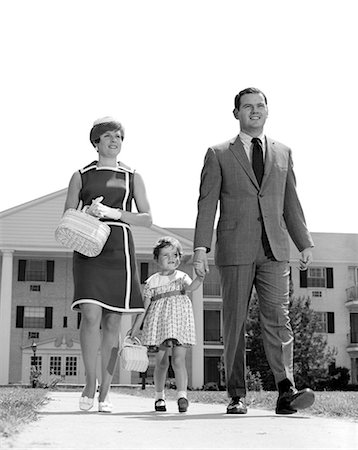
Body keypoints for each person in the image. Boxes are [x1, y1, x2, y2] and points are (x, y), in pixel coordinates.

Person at [193, 87, 315, 415]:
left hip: (275, 249)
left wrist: (303, 242)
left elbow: (291, 202)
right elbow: (207, 204)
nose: (255, 111)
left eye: (260, 105)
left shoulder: (284, 152)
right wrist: (201, 248)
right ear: (237, 113)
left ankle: (285, 391)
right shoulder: (218, 153)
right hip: (235, 249)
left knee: (279, 318)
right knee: (234, 323)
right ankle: (236, 394)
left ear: (267, 111)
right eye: (248, 106)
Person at [64, 116, 152, 413]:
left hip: (119, 248)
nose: (114, 141)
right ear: (96, 142)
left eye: (119, 137)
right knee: (90, 315)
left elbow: (147, 219)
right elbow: (67, 213)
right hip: (89, 246)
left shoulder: (132, 177)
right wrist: (89, 212)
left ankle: (105, 391)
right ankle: (89, 383)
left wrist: (114, 212)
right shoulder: (81, 175)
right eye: (108, 136)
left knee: (113, 321)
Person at [131, 237, 204, 413]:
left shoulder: (181, 277)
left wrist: (200, 276)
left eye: (175, 254)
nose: (172, 258)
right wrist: (134, 330)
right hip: (160, 325)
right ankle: (159, 396)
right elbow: (144, 307)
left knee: (179, 360)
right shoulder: (152, 282)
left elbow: (193, 287)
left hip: (179, 323)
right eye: (166, 255)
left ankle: (182, 396)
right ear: (156, 259)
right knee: (161, 362)